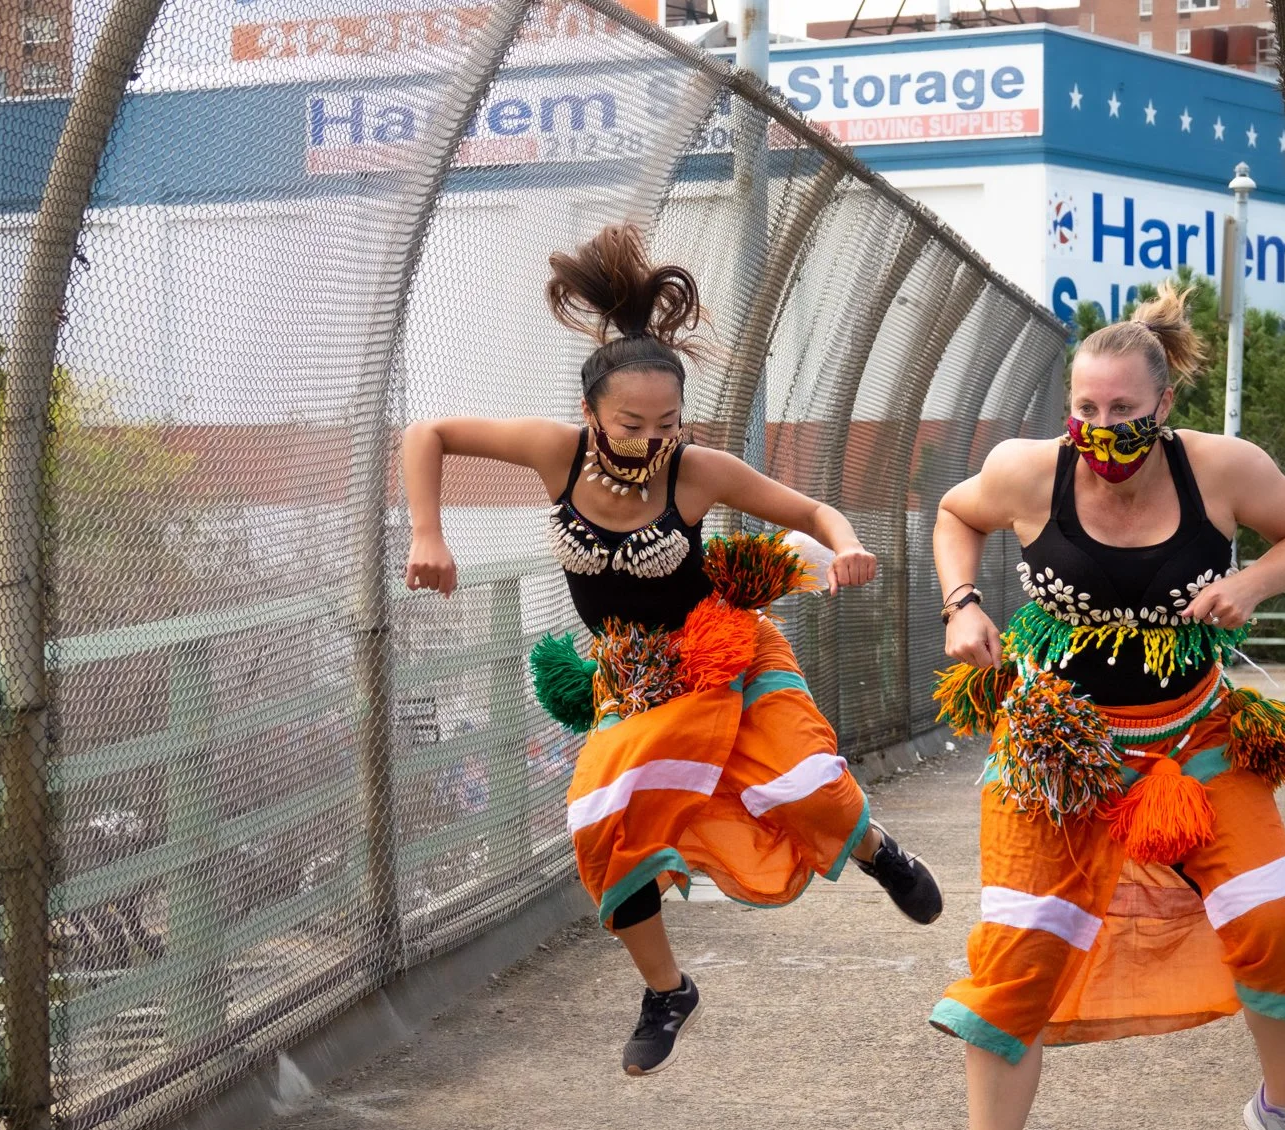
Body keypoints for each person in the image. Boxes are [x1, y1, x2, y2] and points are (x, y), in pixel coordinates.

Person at [401, 223, 942, 1077]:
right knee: (600, 821)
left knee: (806, 780)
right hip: (638, 681)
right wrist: (429, 535)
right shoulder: (557, 453)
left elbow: (810, 512)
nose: (649, 436)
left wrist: (845, 544)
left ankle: (879, 852)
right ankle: (666, 989)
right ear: (590, 414)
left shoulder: (695, 471)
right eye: (629, 421)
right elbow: (427, 434)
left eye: (667, 421)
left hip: (730, 654)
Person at [930, 283, 1285, 1130]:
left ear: (1162, 403)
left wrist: (1249, 584)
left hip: (1192, 744)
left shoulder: (1220, 470)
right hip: (1058, 755)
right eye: (1087, 409)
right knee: (1015, 968)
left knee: (1276, 919)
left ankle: (1282, 1109)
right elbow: (953, 513)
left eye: (1122, 410)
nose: (1102, 429)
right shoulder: (1028, 473)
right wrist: (962, 603)